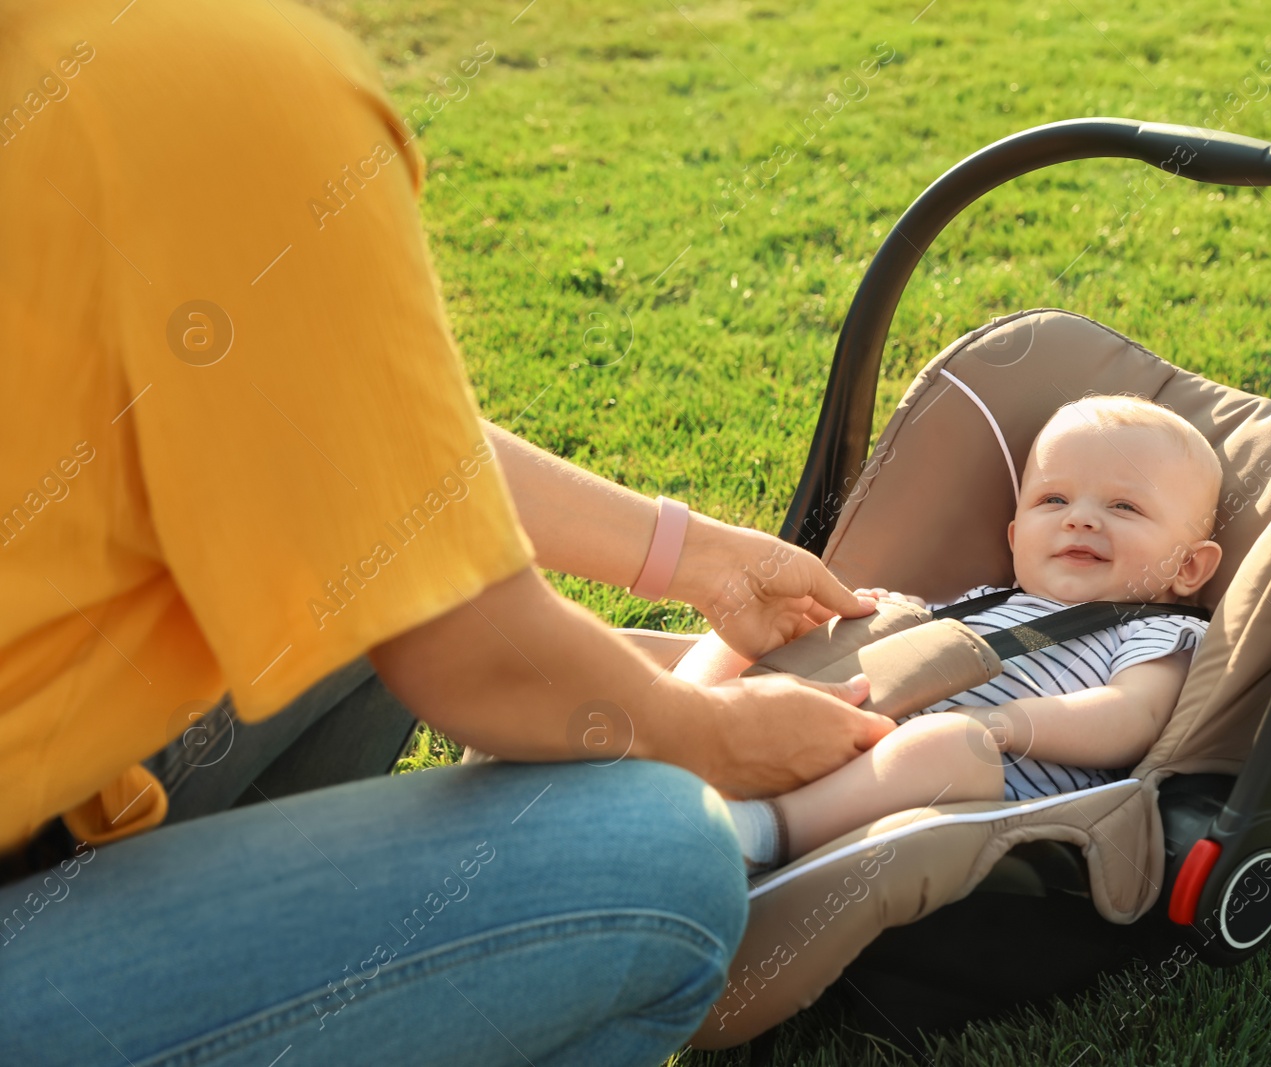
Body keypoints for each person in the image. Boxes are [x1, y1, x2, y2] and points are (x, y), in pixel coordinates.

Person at [0, 3, 895, 1065]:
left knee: (355, 578)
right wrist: (721, 741)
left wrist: (687, 550)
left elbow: (347, 433)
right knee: (659, 859)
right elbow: (472, 657)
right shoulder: (213, 76)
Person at [676, 396, 1225, 872]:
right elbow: (920, 636)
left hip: (977, 782)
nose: (1078, 519)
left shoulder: (1156, 629)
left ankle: (762, 834)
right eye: (1052, 500)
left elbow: (1135, 717)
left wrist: (1002, 725)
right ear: (1015, 537)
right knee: (738, 637)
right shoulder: (988, 600)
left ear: (1190, 569)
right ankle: (675, 734)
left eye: (1124, 506)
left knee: (951, 745)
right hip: (857, 721)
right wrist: (877, 614)